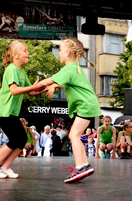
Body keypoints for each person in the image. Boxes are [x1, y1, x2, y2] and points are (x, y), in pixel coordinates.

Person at [38, 37, 102, 183]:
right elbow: (68, 83)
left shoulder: (68, 69)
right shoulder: (75, 69)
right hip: (88, 105)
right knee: (75, 135)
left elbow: (48, 81)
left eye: (59, 50)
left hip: (85, 106)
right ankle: (85, 164)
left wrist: (29, 88)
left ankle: (80, 167)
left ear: (67, 52)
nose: (58, 53)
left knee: (74, 135)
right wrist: (56, 85)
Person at [0, 40, 44, 179]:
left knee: (22, 139)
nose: (28, 53)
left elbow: (30, 92)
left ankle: (5, 166)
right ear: (15, 55)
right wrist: (33, 88)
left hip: (11, 112)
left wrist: (43, 89)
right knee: (15, 139)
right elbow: (14, 90)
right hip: (3, 111)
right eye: (25, 50)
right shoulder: (11, 69)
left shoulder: (22, 72)